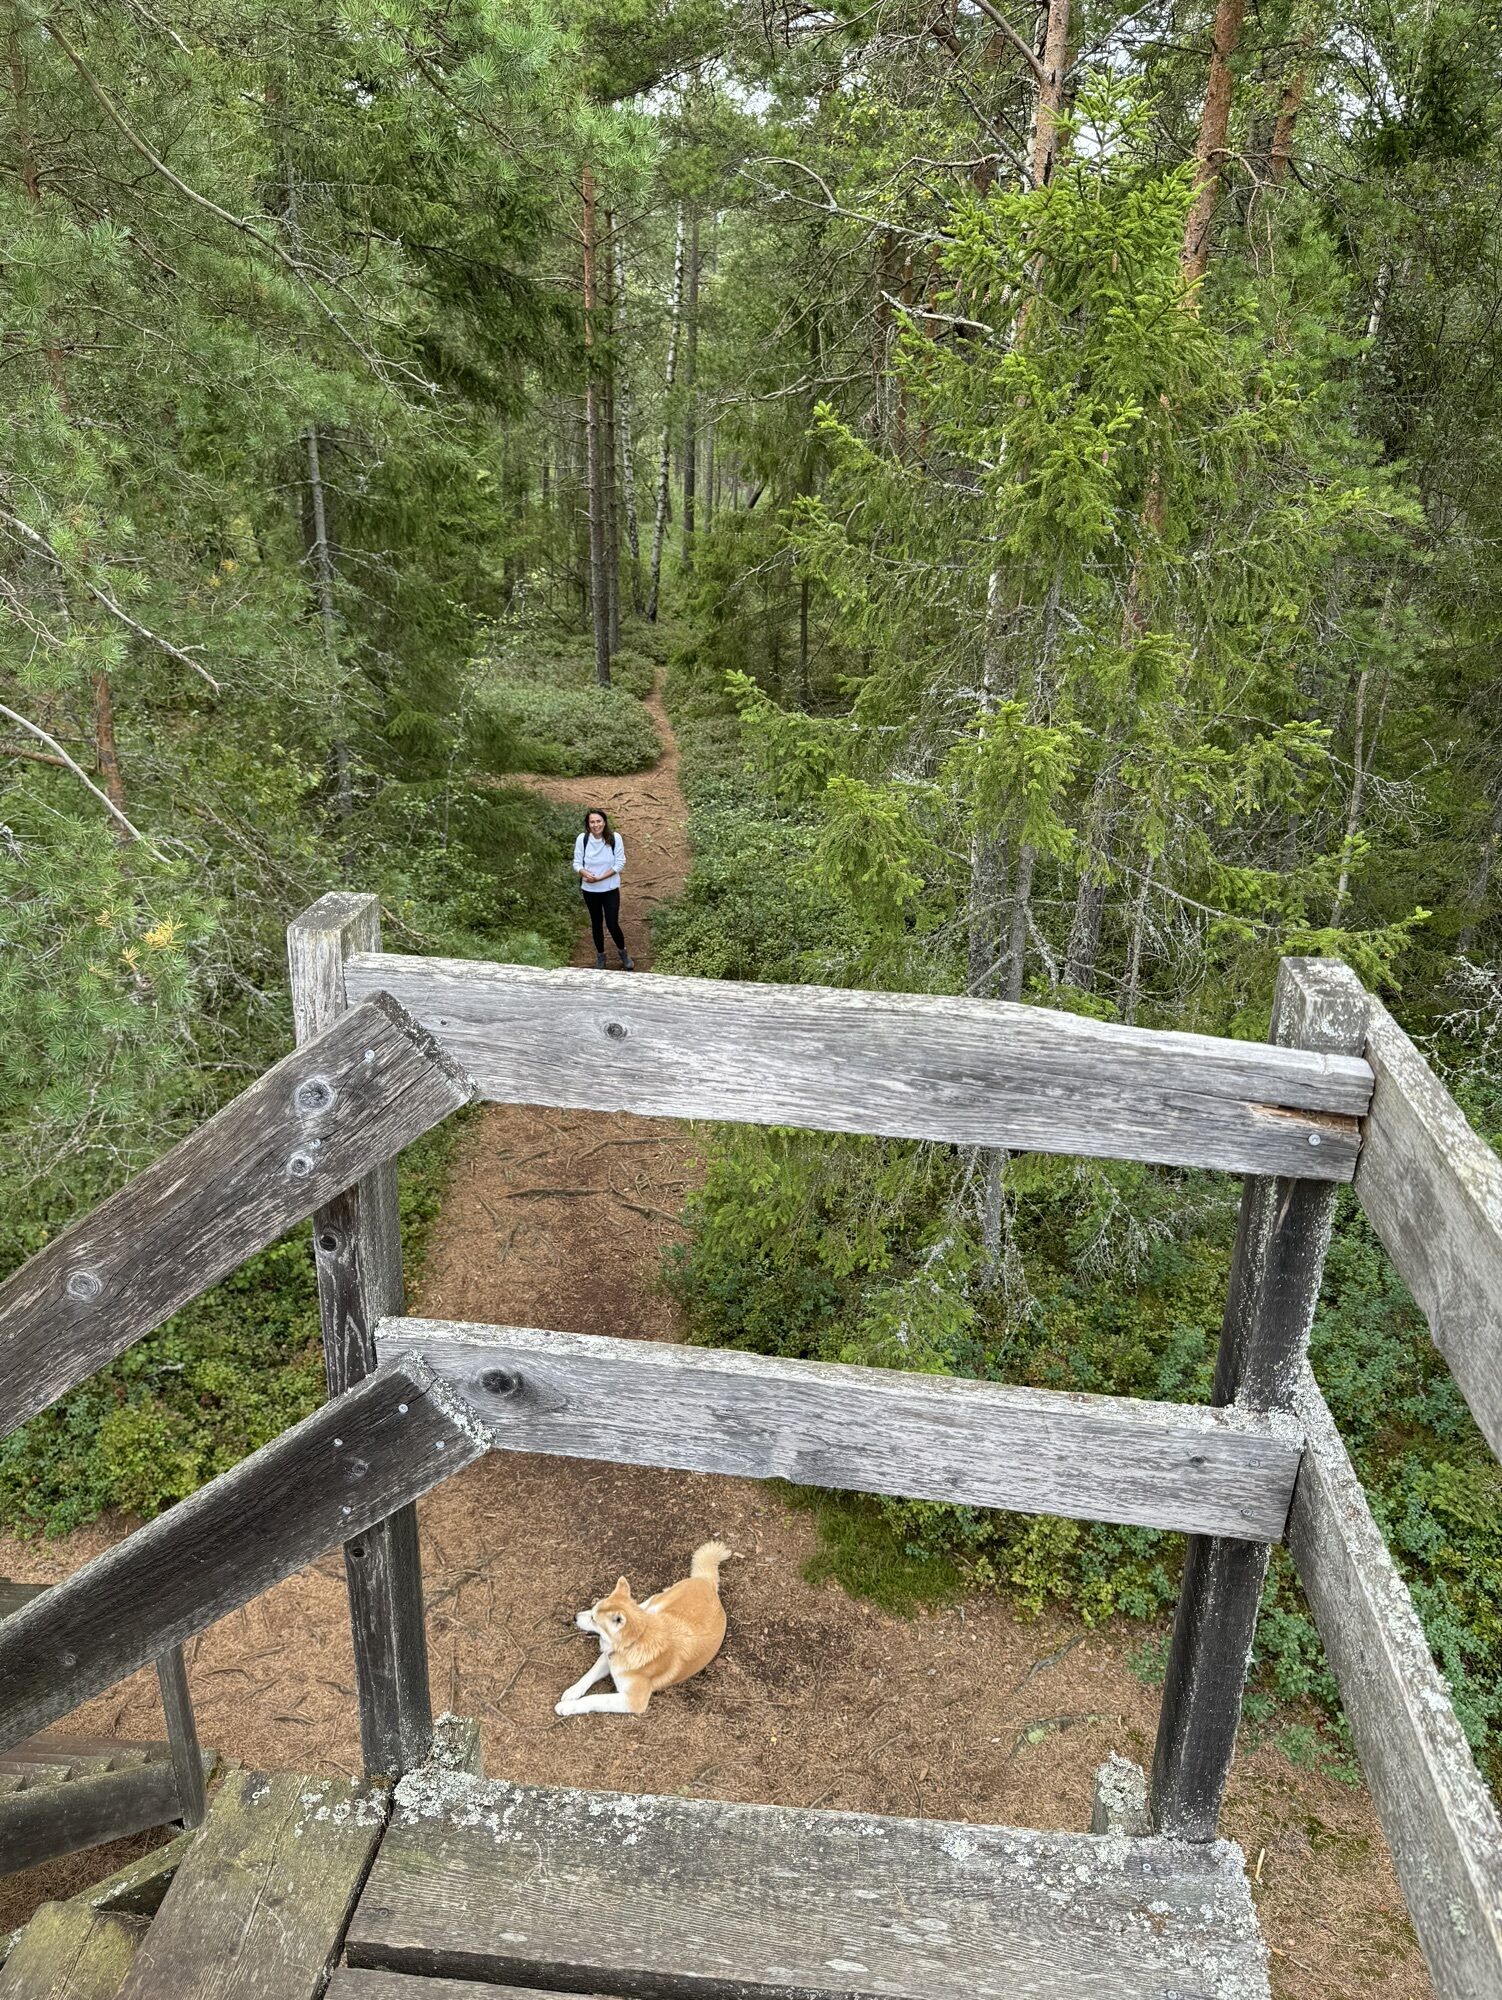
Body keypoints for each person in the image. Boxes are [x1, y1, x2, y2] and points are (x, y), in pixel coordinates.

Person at [573, 808, 633, 970]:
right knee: (596, 923)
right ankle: (600, 955)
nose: (596, 825)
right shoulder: (582, 839)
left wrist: (599, 878)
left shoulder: (615, 838)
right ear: (588, 825)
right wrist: (584, 872)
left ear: (604, 822)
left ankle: (623, 953)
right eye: (592, 822)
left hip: (610, 889)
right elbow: (577, 863)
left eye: (598, 821)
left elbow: (619, 864)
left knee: (612, 923)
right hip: (589, 890)